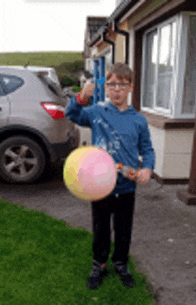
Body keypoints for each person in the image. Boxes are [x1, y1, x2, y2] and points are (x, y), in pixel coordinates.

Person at [65, 62, 155, 289]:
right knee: (101, 228)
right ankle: (100, 264)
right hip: (100, 185)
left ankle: (121, 263)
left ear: (131, 87)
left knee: (124, 229)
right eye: (112, 84)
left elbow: (147, 150)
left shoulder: (139, 120)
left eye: (122, 85)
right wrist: (81, 96)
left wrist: (147, 168)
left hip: (127, 186)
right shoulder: (96, 113)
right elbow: (71, 113)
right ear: (105, 87)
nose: (117, 89)